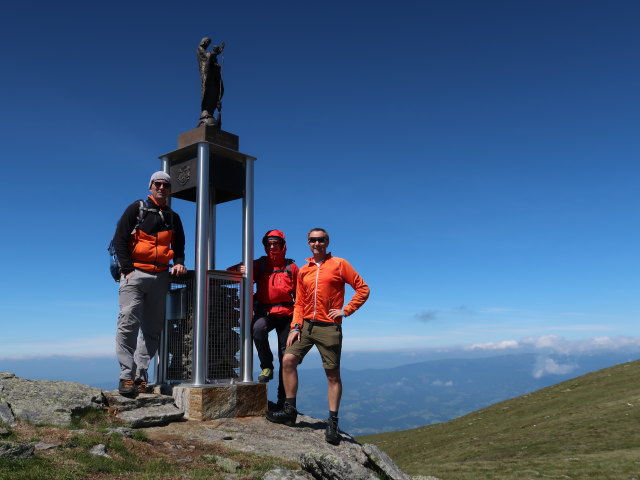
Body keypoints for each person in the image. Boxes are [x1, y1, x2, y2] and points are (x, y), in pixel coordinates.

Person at [266, 228, 370, 445]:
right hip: (305, 326)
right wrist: (295, 327)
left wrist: (346, 310)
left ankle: (332, 422)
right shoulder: (304, 270)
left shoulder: (340, 264)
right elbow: (300, 303)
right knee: (288, 360)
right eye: (312, 240)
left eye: (320, 240)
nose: (316, 243)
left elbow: (362, 288)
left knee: (332, 375)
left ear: (327, 242)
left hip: (329, 327)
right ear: (308, 243)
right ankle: (289, 410)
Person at [113, 171, 187, 397]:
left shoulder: (173, 217)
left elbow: (180, 247)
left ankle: (141, 376)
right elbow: (120, 239)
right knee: (128, 323)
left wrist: (179, 263)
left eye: (166, 185)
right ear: (151, 186)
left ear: (170, 189)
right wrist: (127, 270)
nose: (161, 188)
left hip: (161, 276)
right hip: (134, 274)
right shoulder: (137, 209)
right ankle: (126, 376)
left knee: (152, 328)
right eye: (158, 184)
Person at [228, 230, 299, 407]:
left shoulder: (292, 268)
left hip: (287, 315)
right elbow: (230, 272)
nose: (272, 246)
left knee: (286, 357)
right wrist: (239, 269)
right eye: (268, 244)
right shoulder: (259, 264)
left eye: (275, 243)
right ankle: (267, 366)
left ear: (283, 245)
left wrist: (299, 322)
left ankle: (284, 400)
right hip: (265, 312)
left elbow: (301, 295)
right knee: (257, 330)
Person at [197, 36, 225, 127]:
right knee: (207, 91)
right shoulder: (200, 49)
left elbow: (212, 59)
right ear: (203, 42)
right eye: (207, 42)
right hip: (206, 75)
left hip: (213, 76)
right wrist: (215, 52)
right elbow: (207, 57)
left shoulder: (208, 52)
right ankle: (205, 112)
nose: (208, 43)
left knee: (215, 92)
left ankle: (211, 112)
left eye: (209, 42)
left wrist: (218, 53)